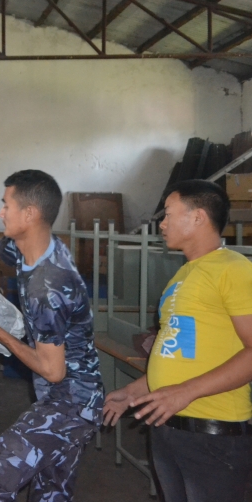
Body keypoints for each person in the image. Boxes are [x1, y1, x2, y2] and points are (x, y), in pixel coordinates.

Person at [0, 170, 103, 502]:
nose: (1, 212)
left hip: (69, 403)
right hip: (72, 397)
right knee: (50, 495)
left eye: (6, 205)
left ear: (29, 214)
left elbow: (53, 370)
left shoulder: (48, 285)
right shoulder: (29, 246)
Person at [103, 180, 252, 502]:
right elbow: (178, 352)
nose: (163, 223)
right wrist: (133, 392)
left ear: (198, 217)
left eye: (169, 214)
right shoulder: (183, 275)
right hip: (169, 427)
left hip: (212, 433)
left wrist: (184, 392)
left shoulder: (233, 269)